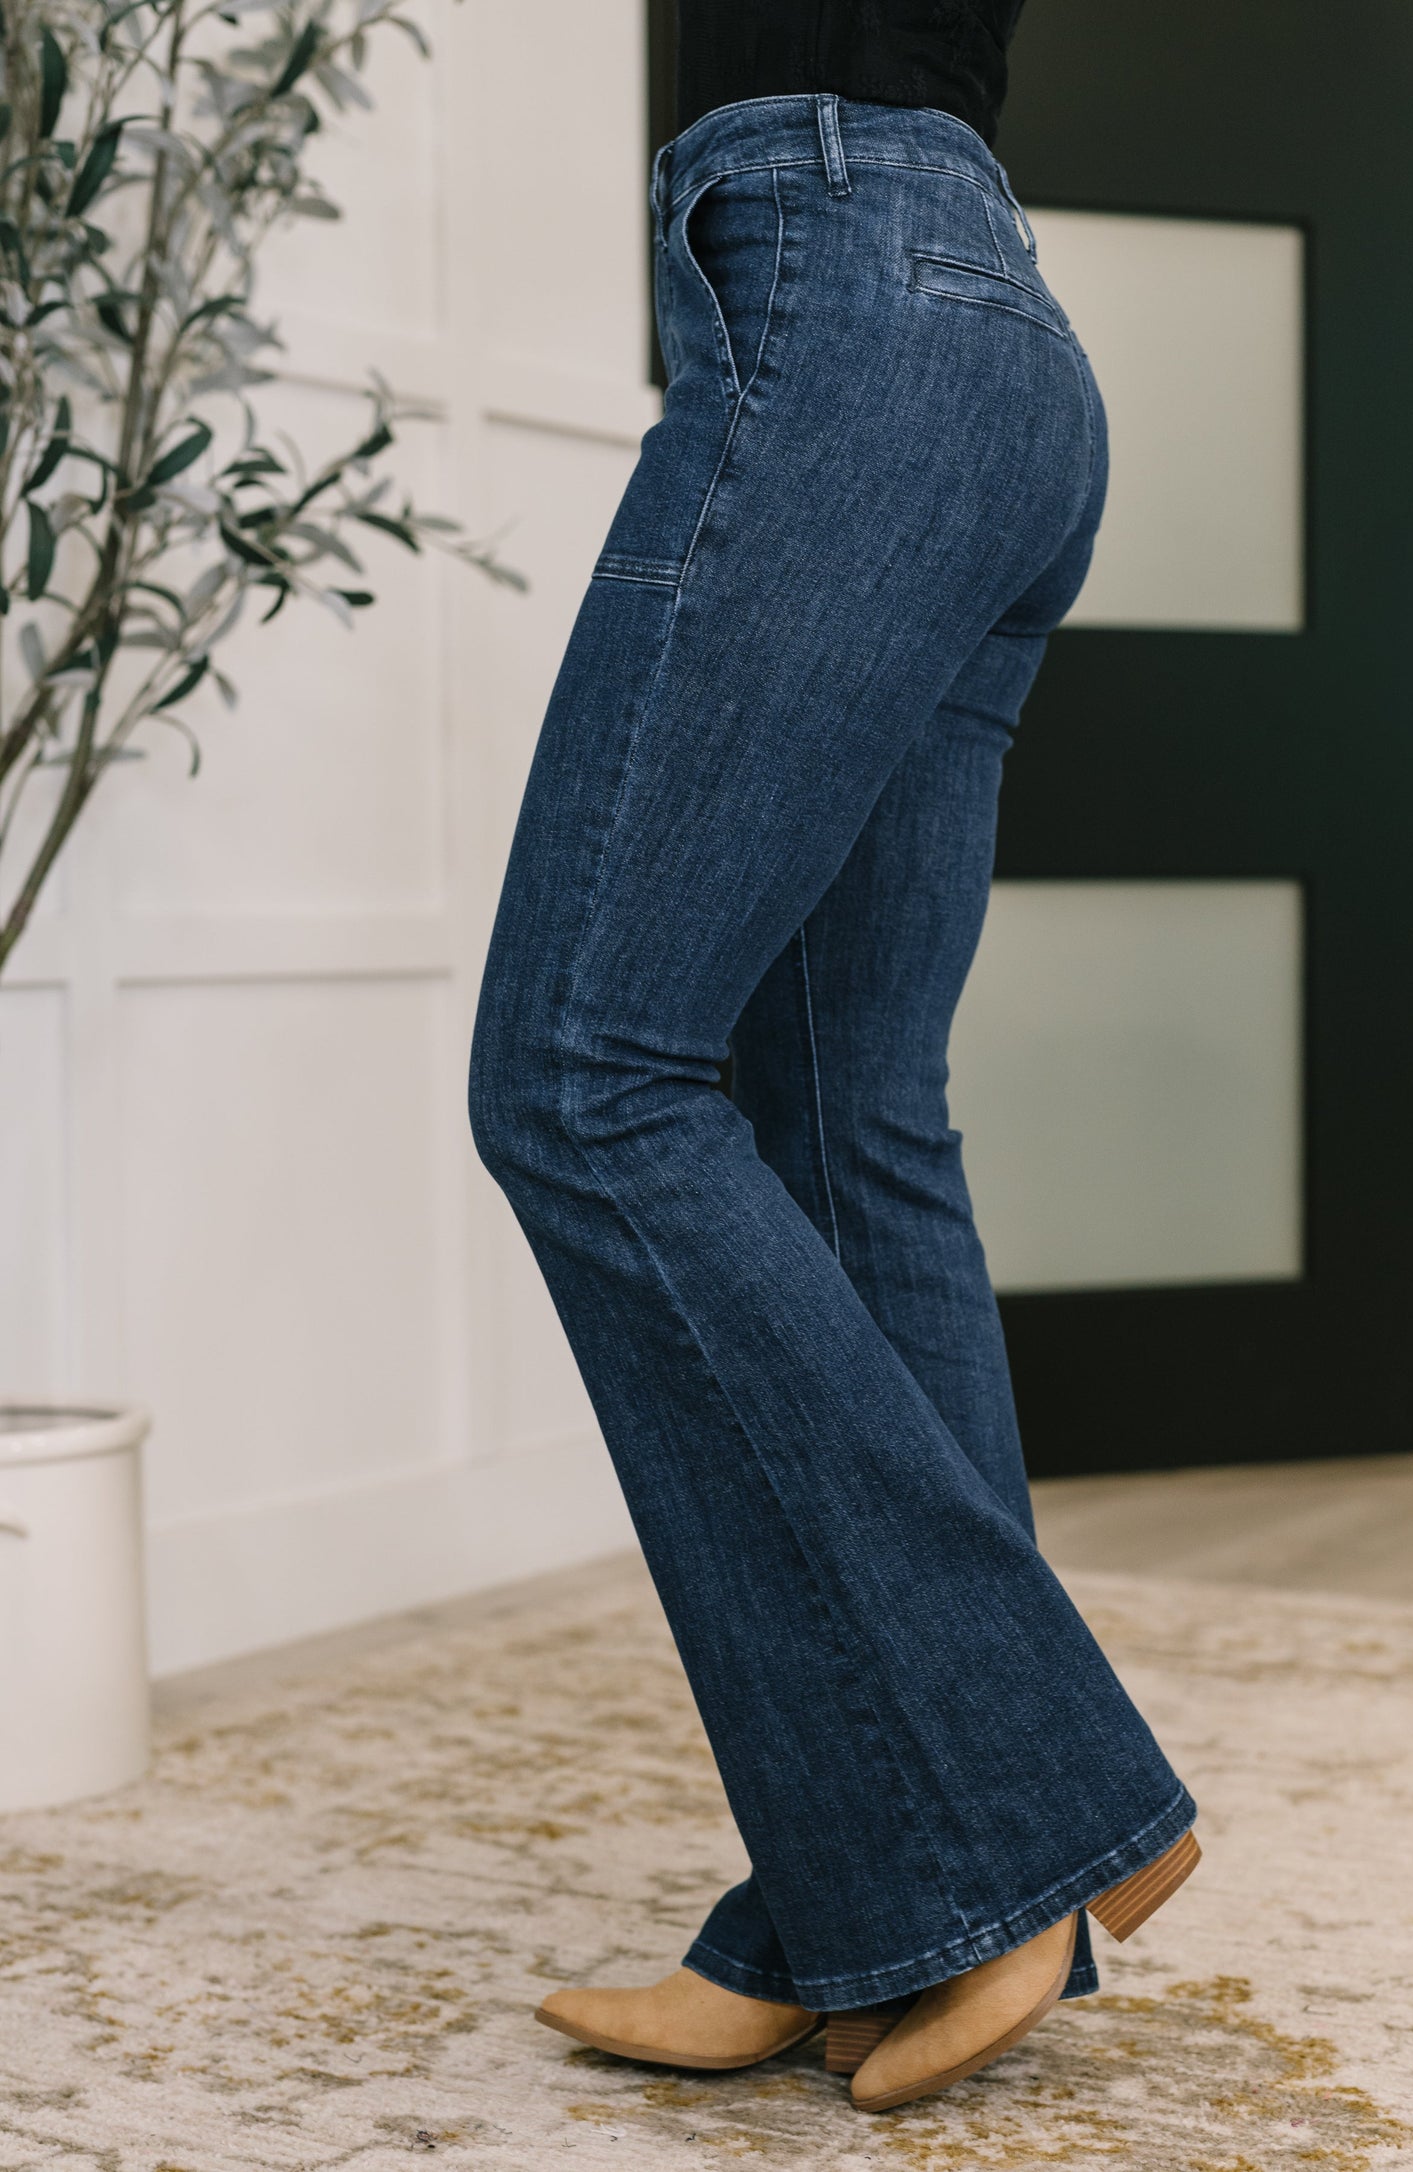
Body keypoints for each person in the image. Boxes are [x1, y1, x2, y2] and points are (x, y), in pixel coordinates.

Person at [467, 0, 1199, 2116]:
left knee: (580, 1077)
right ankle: (872, 1907)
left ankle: (1032, 1803)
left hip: (839, 262)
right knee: (846, 1122)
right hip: (979, 319)